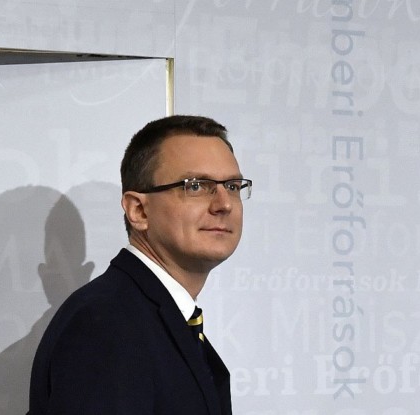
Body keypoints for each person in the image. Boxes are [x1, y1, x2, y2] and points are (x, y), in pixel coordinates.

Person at [28, 115, 252, 415]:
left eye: (233, 186)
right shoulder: (106, 324)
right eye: (197, 186)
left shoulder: (148, 315)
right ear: (138, 210)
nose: (224, 204)